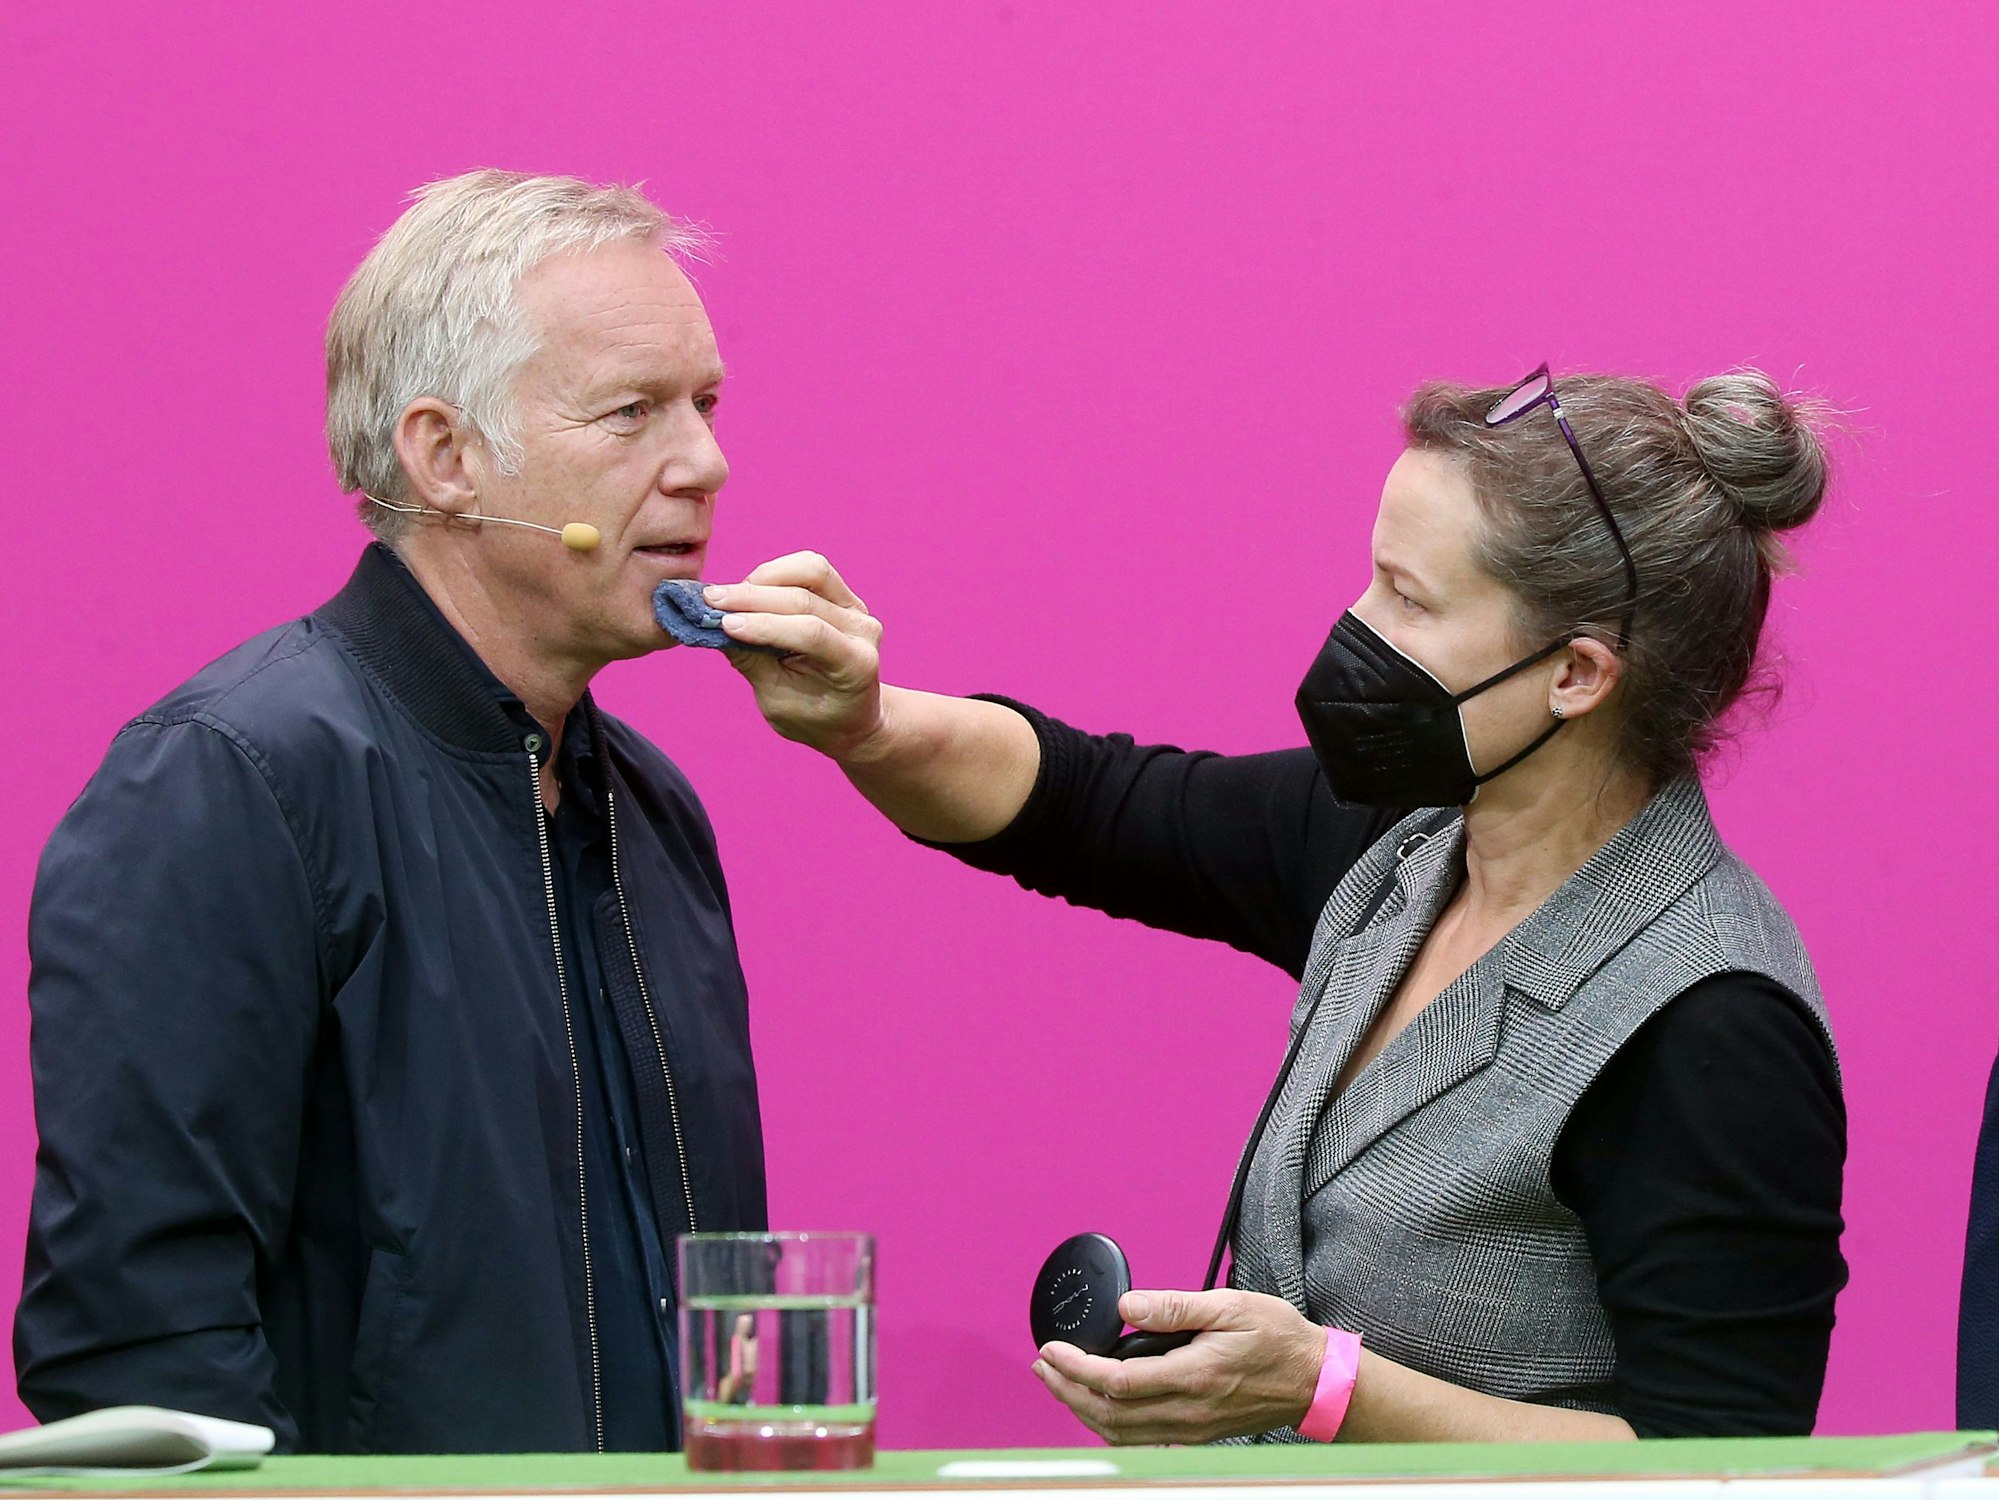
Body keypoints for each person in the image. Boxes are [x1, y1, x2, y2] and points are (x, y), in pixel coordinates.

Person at [705, 365, 1847, 1442]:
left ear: (1577, 675)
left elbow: (1716, 1462)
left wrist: (1326, 1388)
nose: (1357, 627)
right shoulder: (1392, 848)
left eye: (1408, 599)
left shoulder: (1709, 1021)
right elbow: (1085, 802)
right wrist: (868, 725)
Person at [16, 171, 767, 1454]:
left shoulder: (649, 803)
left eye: (703, 405)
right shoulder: (228, 777)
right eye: (633, 412)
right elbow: (138, 1347)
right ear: (447, 457)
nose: (706, 462)